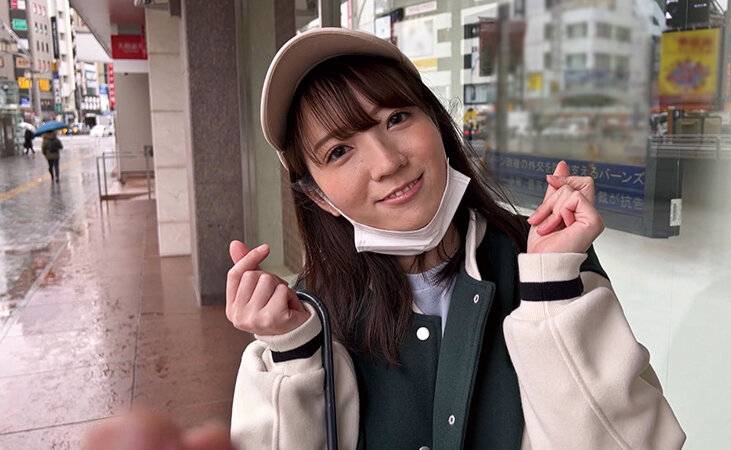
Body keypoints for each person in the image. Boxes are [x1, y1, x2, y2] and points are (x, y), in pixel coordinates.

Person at [86, 28, 685, 449]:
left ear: (436, 123)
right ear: (318, 195)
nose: (386, 162)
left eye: (397, 118)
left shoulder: (544, 260)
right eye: (338, 151)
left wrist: (552, 291)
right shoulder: (311, 312)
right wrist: (289, 352)